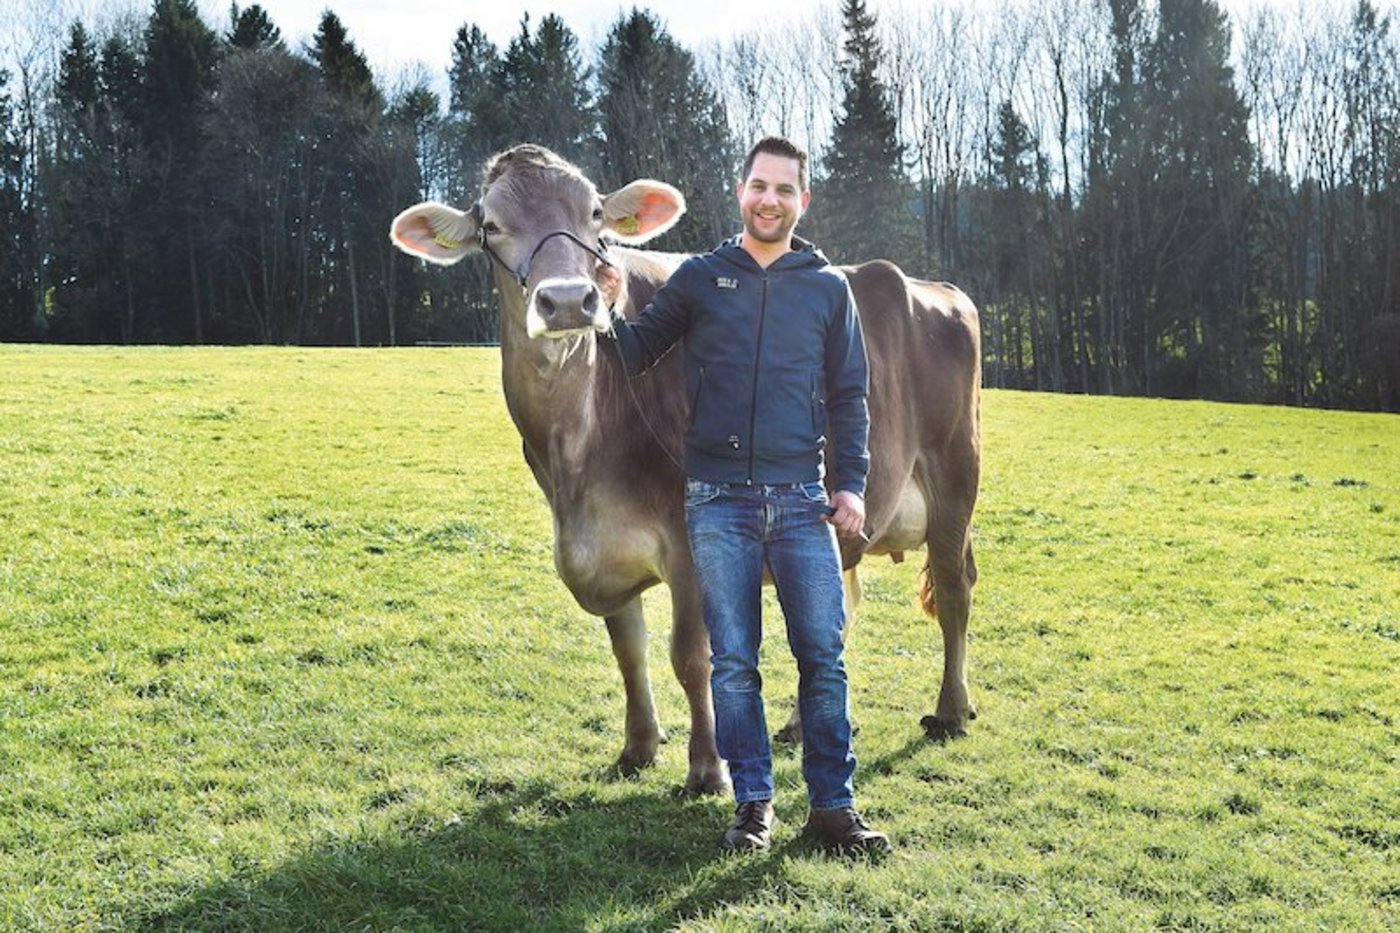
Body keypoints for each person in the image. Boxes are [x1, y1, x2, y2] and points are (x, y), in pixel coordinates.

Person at [597, 136, 889, 855]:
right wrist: (605, 312)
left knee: (823, 654)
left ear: (802, 201)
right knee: (733, 662)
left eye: (785, 189)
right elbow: (635, 356)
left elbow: (851, 394)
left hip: (801, 499)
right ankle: (753, 806)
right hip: (718, 501)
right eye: (760, 185)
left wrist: (849, 482)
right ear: (741, 191)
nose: (770, 200)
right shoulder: (698, 279)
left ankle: (832, 808)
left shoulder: (827, 289)